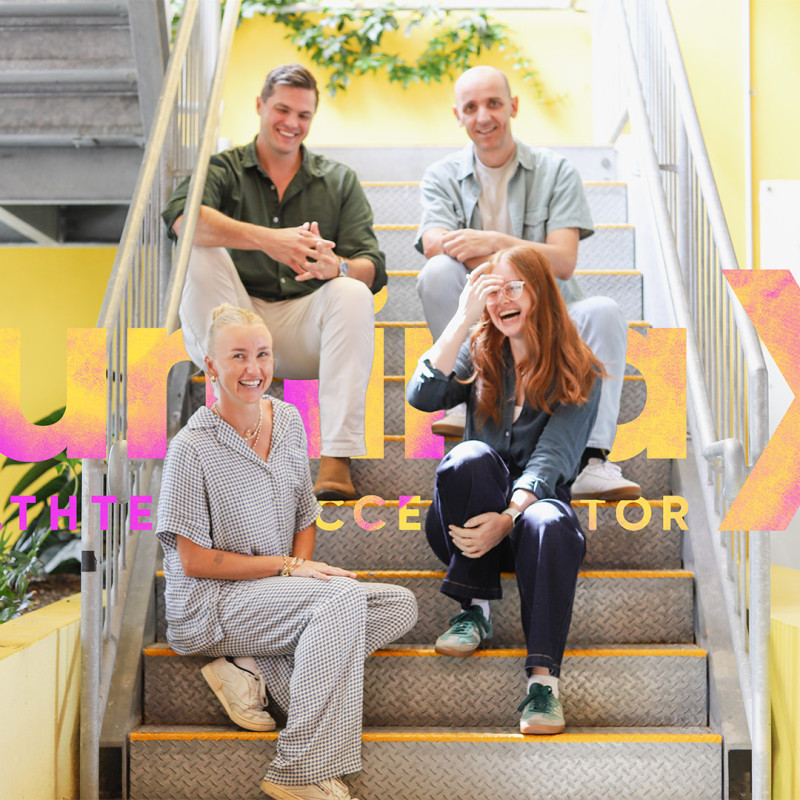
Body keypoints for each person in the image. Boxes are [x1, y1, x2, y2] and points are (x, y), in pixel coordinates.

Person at [156, 304, 418, 800]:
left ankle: (247, 667)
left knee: (397, 604)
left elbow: (305, 515)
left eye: (262, 354)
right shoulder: (191, 448)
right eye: (237, 357)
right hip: (212, 602)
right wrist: (291, 569)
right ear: (210, 367)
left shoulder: (291, 421)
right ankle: (296, 771)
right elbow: (193, 562)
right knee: (340, 602)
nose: (253, 369)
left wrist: (295, 574)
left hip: (276, 594)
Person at [415, 65, 640, 501]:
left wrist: (495, 243)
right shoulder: (441, 176)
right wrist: (515, 268)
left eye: (494, 103)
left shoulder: (555, 170)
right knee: (438, 272)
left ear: (513, 106)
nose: (484, 116)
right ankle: (467, 392)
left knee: (605, 312)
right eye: (471, 107)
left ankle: (594, 458)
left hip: (552, 310)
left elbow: (564, 261)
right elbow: (433, 244)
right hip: (490, 318)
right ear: (457, 116)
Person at [163, 63, 386, 501]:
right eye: (282, 110)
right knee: (197, 246)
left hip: (305, 329)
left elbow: (372, 265)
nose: (292, 124)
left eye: (304, 115)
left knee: (353, 290)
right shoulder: (224, 168)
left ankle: (337, 457)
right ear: (260, 105)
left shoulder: (338, 180)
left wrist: (335, 267)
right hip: (235, 323)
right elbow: (181, 220)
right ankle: (231, 445)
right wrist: (269, 241)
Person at [407, 246, 600, 734]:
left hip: (529, 531)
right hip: (464, 527)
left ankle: (543, 687)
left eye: (516, 287)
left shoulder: (580, 369)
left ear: (542, 294)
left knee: (552, 519)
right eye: (494, 289)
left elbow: (551, 460)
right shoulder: (479, 350)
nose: (503, 299)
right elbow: (422, 396)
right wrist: (460, 318)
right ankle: (473, 609)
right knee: (469, 457)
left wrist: (509, 517)